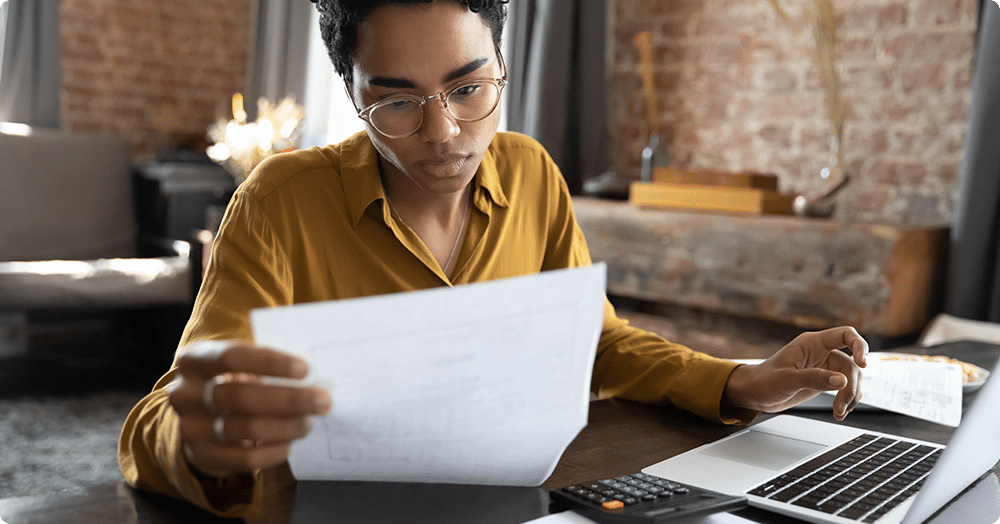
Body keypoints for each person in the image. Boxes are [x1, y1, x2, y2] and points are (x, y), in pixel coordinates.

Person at [118, 0, 868, 518]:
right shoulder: (280, 201)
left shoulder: (534, 174)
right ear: (351, 97)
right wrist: (204, 442)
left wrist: (742, 382)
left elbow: (597, 343)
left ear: (503, 64)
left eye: (469, 87)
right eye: (398, 102)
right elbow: (164, 414)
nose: (444, 132)